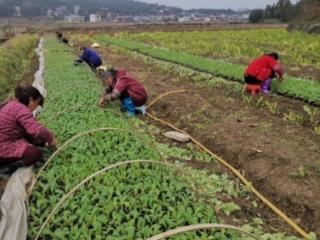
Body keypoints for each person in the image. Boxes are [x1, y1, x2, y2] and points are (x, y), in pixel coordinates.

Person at [0, 86, 57, 173]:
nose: (35, 108)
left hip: (5, 139)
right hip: (3, 147)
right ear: (31, 100)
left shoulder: (12, 104)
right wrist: (51, 139)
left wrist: (40, 140)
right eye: (36, 104)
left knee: (37, 139)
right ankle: (9, 168)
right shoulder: (21, 108)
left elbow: (29, 131)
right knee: (35, 154)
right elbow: (37, 130)